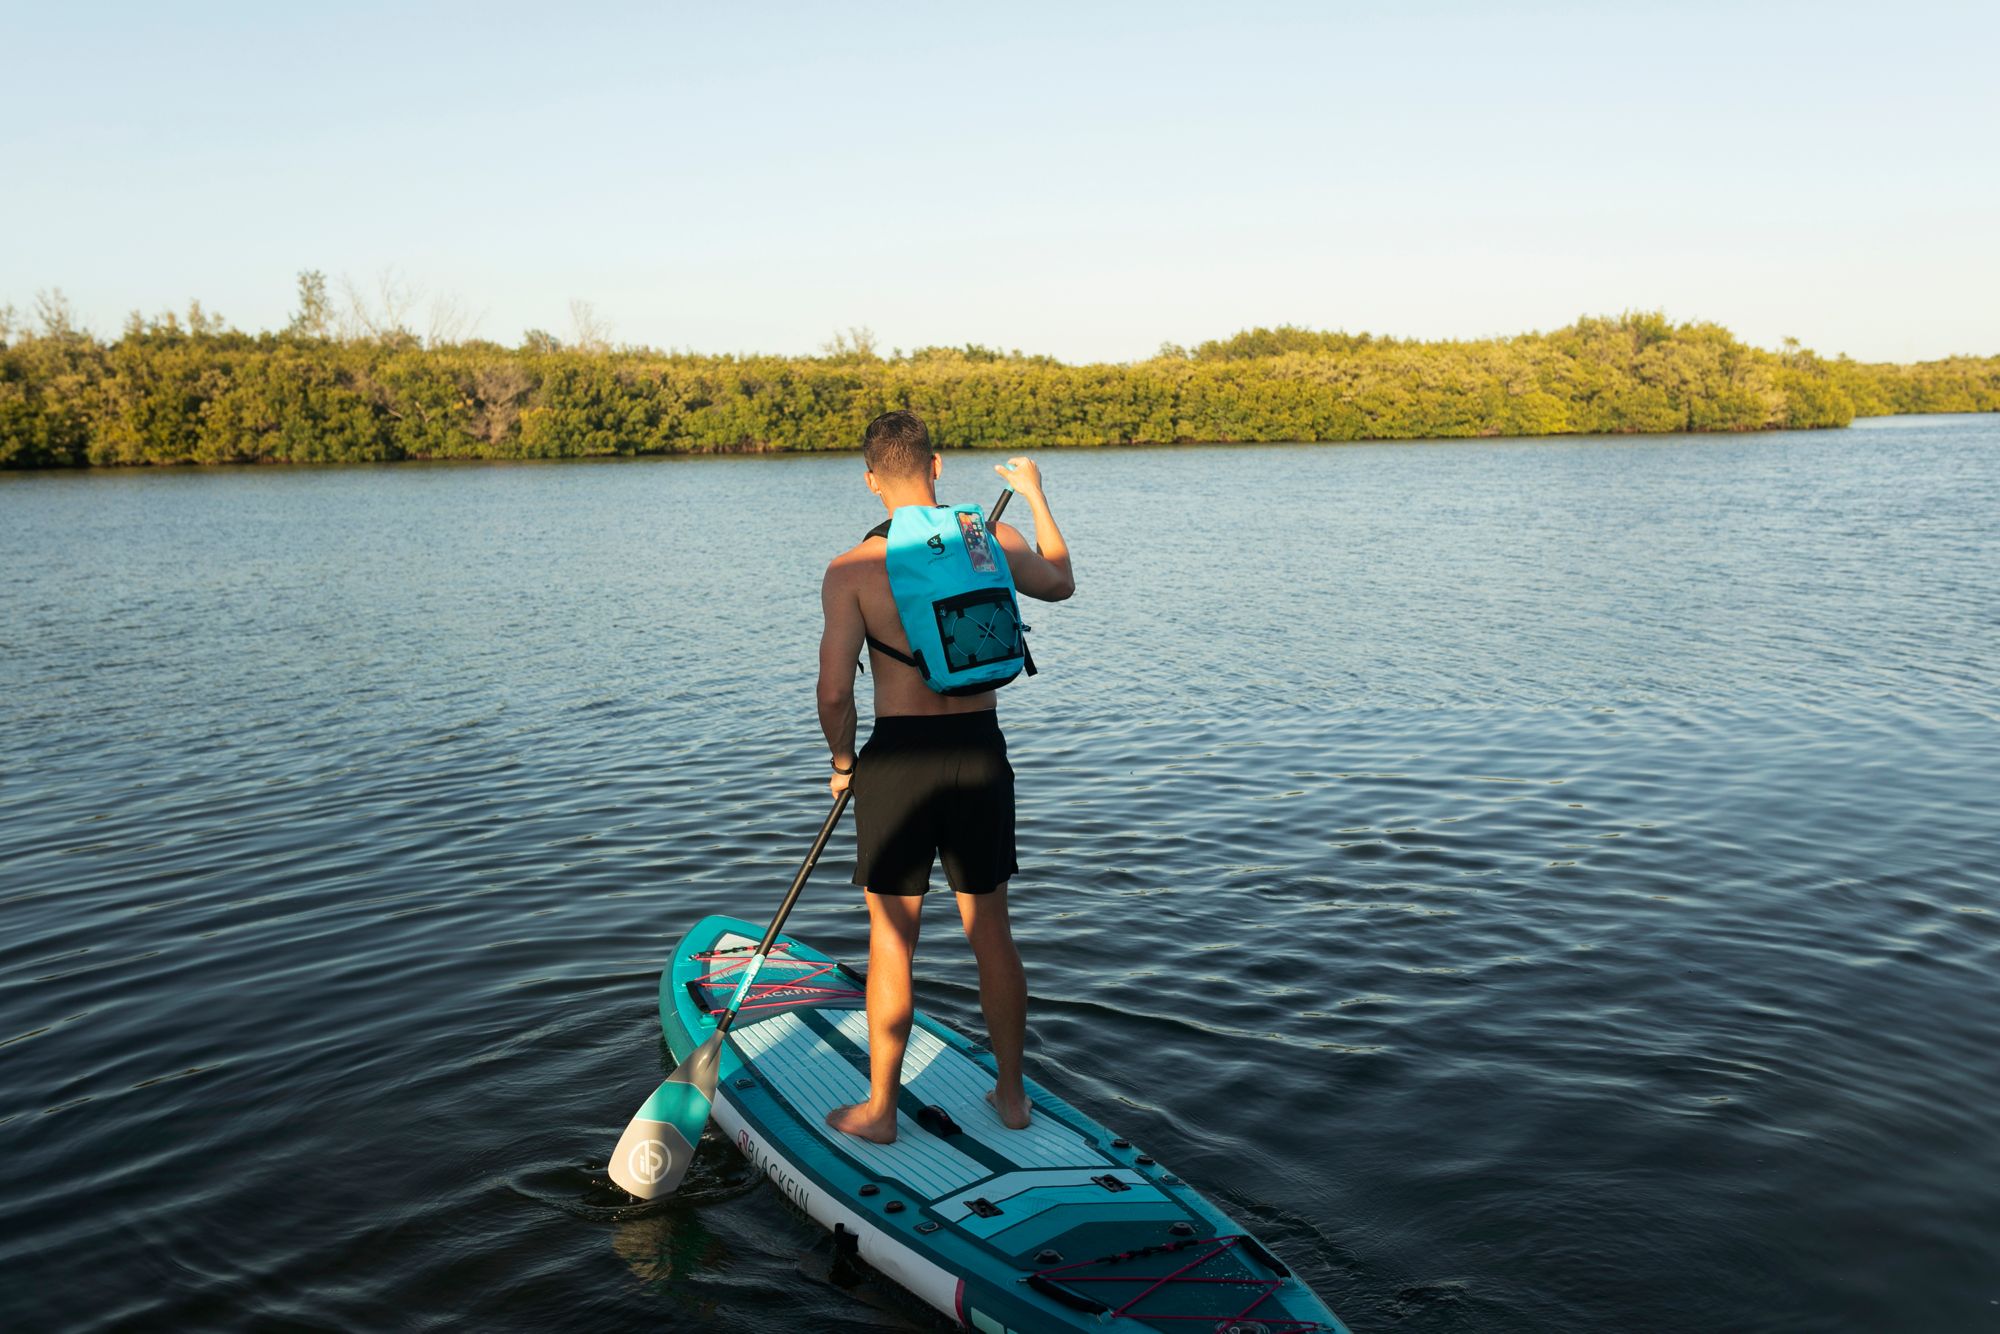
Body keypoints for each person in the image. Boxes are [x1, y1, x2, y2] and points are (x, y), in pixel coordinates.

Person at [816, 410, 1074, 1144]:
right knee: (991, 930)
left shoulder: (851, 571)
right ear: (937, 467)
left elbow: (835, 693)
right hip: (978, 752)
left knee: (892, 939)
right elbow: (1060, 582)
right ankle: (1014, 1096)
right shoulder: (986, 540)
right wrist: (1033, 495)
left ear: (871, 481)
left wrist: (843, 765)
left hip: (896, 760)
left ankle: (881, 1111)